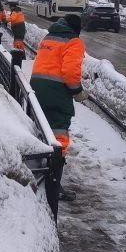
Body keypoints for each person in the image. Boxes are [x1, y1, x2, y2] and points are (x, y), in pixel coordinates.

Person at [30, 13, 87, 202]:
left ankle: (40, 173)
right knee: (59, 135)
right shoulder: (74, 42)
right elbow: (70, 71)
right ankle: (53, 186)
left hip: (37, 87)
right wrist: (77, 91)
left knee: (43, 130)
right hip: (56, 92)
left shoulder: (49, 37)